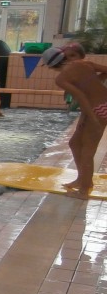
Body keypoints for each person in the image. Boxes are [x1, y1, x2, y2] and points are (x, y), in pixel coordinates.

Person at [44, 43, 107, 197]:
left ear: (51, 66)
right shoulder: (84, 63)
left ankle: (84, 190)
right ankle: (82, 180)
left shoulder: (61, 78)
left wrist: (93, 119)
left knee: (87, 151)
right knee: (74, 143)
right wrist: (97, 81)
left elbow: (81, 97)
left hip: (97, 110)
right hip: (98, 106)